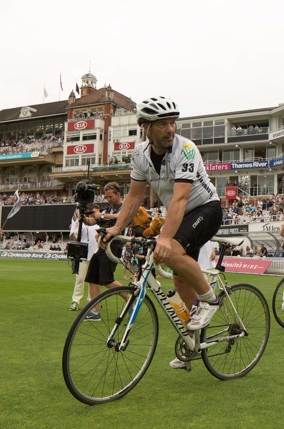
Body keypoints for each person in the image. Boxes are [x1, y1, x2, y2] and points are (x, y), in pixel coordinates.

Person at [103, 96, 223, 368]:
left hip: (206, 208)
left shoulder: (187, 149)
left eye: (173, 123)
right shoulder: (139, 154)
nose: (171, 129)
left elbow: (180, 199)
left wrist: (165, 237)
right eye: (163, 124)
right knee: (180, 281)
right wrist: (117, 227)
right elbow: (134, 198)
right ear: (145, 126)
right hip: (181, 214)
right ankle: (194, 343)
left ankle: (210, 300)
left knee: (170, 253)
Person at [81, 182, 125, 321]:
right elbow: (91, 222)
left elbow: (122, 217)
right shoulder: (107, 209)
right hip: (102, 246)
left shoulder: (123, 207)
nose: (108, 199)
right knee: (92, 277)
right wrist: (82, 216)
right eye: (106, 197)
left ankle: (131, 299)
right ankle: (94, 311)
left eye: (110, 196)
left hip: (114, 246)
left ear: (118, 194)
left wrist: (102, 215)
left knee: (107, 280)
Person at [68, 204, 100, 311]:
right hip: (82, 254)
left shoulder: (98, 224)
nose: (96, 214)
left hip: (95, 254)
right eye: (94, 211)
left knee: (92, 280)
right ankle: (75, 300)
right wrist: (76, 225)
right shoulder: (82, 222)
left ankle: (91, 300)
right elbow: (73, 237)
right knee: (80, 279)